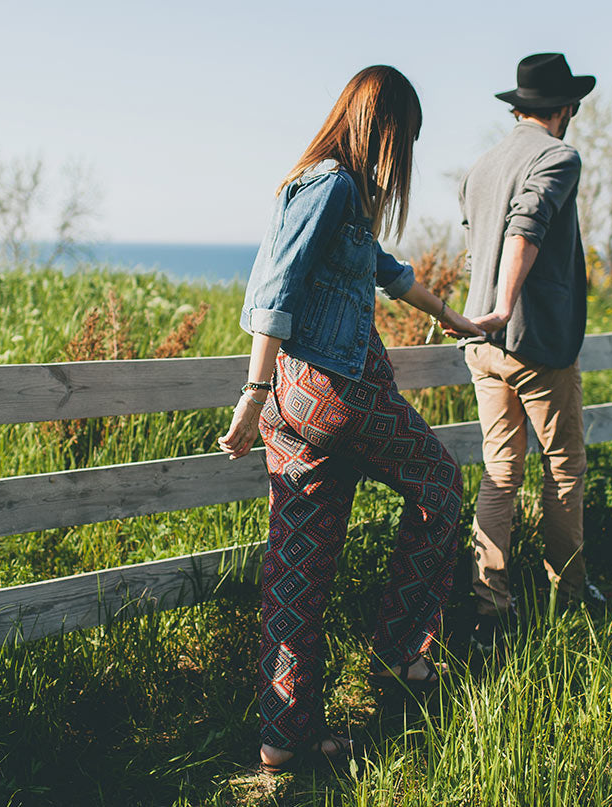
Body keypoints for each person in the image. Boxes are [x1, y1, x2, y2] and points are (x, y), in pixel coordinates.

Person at [218, 65, 482, 773]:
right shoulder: (331, 183)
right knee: (440, 486)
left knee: (299, 566)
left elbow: (386, 270)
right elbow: (276, 288)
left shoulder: (330, 193)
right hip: (330, 386)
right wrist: (251, 390)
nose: (404, 160)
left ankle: (285, 738)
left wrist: (454, 318)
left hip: (294, 405)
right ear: (384, 127)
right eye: (406, 140)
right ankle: (400, 658)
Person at [457, 53, 607, 652]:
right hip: (535, 342)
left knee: (500, 471)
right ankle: (569, 596)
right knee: (564, 466)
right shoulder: (558, 156)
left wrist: (485, 317)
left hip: (482, 346)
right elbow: (526, 228)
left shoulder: (482, 165)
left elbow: (480, 243)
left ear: (519, 105)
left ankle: (490, 606)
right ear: (564, 107)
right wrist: (506, 304)